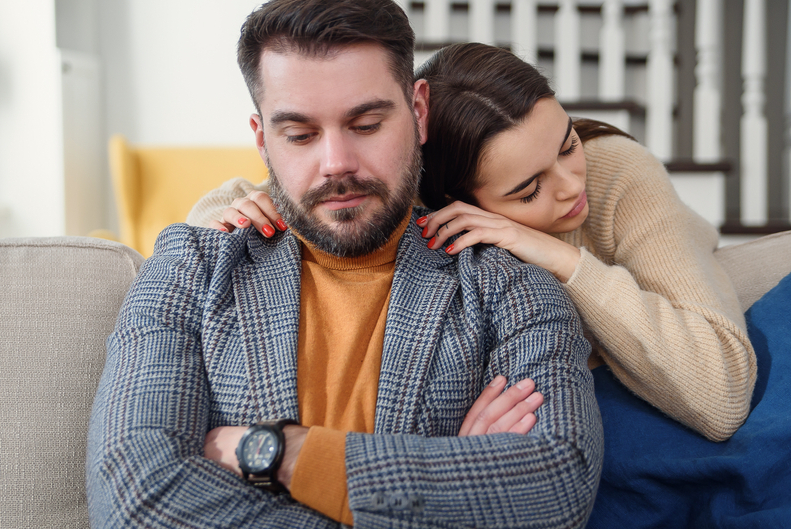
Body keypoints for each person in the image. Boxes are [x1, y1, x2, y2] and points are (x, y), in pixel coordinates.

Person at [86, 0, 601, 529]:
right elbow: (137, 513)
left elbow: (551, 499)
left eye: (365, 124)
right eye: (300, 135)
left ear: (418, 111)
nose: (336, 164)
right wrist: (435, 524)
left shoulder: (510, 285)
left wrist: (277, 454)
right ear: (263, 140)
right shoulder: (189, 270)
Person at [190, 42, 757, 444]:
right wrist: (231, 209)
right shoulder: (425, 216)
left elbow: (722, 393)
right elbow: (242, 201)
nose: (570, 187)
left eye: (565, 144)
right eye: (529, 188)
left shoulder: (613, 173)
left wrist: (561, 257)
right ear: (456, 205)